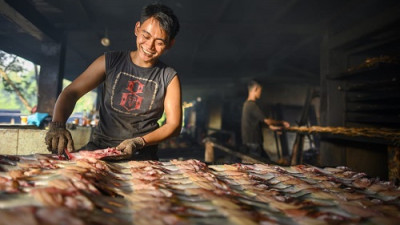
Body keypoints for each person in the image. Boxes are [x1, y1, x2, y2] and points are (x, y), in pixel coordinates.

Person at [45, 3, 182, 160]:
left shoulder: (168, 77)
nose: (149, 46)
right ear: (137, 29)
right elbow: (72, 92)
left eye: (159, 42)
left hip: (141, 156)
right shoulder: (110, 61)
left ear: (170, 44)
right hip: (100, 148)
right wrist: (57, 125)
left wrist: (139, 142)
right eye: (146, 36)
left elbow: (174, 125)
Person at [241, 79, 289, 160]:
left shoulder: (246, 104)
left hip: (250, 142)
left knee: (266, 162)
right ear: (255, 89)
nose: (260, 93)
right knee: (262, 165)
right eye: (260, 90)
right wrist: (282, 123)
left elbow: (259, 122)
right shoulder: (251, 105)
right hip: (254, 143)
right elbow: (267, 120)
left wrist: (272, 127)